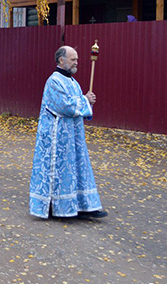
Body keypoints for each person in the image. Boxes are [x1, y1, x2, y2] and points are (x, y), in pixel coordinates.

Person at [29, 46, 108, 219]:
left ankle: (84, 205)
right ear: (61, 60)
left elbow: (78, 105)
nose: (76, 62)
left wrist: (87, 101)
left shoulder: (73, 82)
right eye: (73, 59)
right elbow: (64, 105)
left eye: (77, 59)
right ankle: (59, 207)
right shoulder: (54, 81)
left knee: (78, 168)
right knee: (59, 171)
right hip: (56, 137)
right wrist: (84, 101)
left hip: (73, 135)